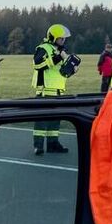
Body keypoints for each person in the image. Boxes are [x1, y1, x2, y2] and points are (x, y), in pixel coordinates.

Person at [31, 24, 72, 155]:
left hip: (58, 91)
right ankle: (38, 146)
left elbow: (62, 71)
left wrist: (72, 67)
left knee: (55, 120)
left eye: (64, 39)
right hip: (45, 90)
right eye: (61, 38)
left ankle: (53, 144)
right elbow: (37, 64)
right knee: (42, 120)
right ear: (53, 37)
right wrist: (59, 57)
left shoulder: (60, 50)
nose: (63, 41)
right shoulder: (43, 48)